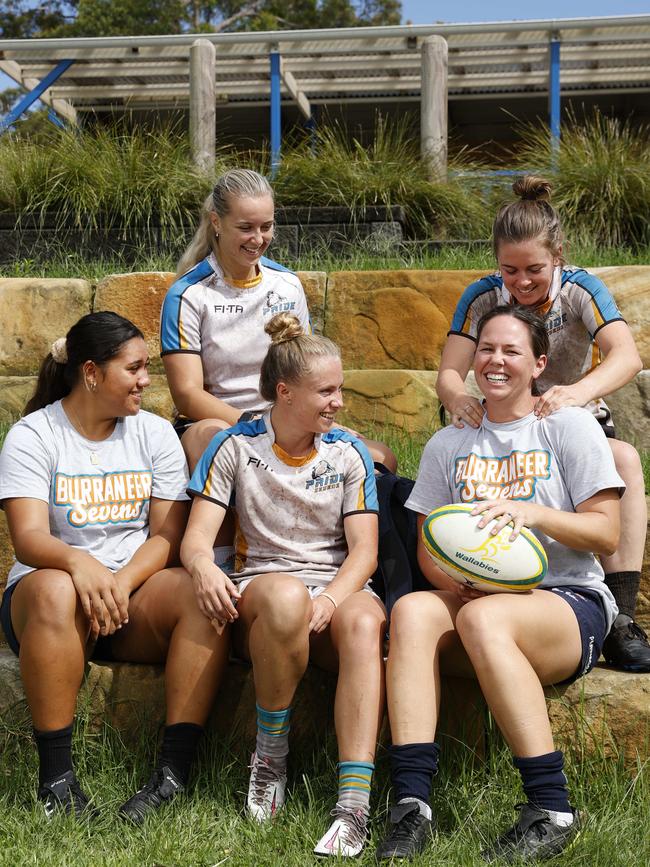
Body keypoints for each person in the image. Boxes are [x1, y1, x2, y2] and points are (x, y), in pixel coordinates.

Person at [376, 305, 623, 862]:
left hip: (567, 600)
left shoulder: (568, 427)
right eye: (486, 348)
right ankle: (411, 805)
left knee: (485, 618)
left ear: (538, 364)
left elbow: (606, 536)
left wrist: (533, 513)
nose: (495, 360)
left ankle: (551, 808)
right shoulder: (450, 444)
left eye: (512, 351)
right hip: (475, 600)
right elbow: (429, 551)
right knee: (414, 610)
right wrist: (459, 580)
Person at [0, 312, 228, 821]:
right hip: (49, 602)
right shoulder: (34, 435)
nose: (147, 380)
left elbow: (167, 535)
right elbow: (29, 538)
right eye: (135, 368)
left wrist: (121, 583)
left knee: (201, 597)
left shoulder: (153, 433)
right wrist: (79, 564)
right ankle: (56, 782)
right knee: (58, 591)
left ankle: (172, 776)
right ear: (91, 372)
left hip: (130, 597)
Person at [181, 313, 385, 857]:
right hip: (263, 585)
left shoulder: (347, 452)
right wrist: (203, 569)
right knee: (285, 594)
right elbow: (196, 541)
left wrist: (333, 599)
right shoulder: (235, 446)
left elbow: (364, 551)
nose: (338, 402)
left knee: (366, 622)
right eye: (327, 391)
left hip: (333, 586)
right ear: (285, 392)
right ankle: (270, 759)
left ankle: (353, 807)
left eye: (339, 388)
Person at [436, 175, 649, 672]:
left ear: (559, 256)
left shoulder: (580, 289)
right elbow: (449, 369)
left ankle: (620, 615)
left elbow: (627, 356)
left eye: (534, 269)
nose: (522, 282)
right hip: (501, 418)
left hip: (565, 414)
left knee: (623, 458)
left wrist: (577, 392)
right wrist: (455, 396)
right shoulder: (483, 295)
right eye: (509, 270)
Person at [160, 167, 396, 475]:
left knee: (379, 458)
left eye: (266, 226)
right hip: (219, 423)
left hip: (288, 419)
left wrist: (319, 422)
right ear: (216, 222)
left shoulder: (286, 283)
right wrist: (259, 427)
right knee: (219, 442)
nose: (258, 239)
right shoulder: (188, 294)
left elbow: (307, 370)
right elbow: (187, 395)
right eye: (246, 227)